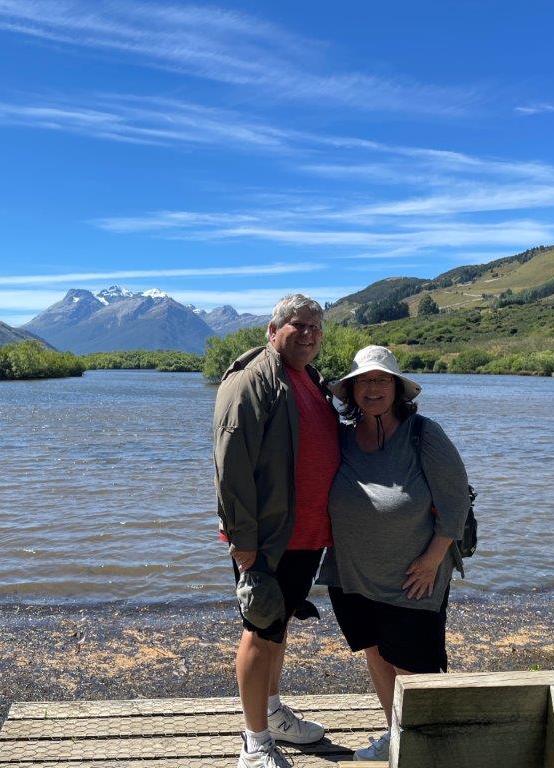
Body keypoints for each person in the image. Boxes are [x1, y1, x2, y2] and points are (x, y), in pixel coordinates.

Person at [318, 345, 470, 762]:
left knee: (413, 668)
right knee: (376, 654)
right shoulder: (342, 437)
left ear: (398, 388)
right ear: (350, 391)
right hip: (351, 574)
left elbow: (456, 503)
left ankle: (425, 747)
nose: (373, 388)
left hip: (413, 575)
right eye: (363, 381)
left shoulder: (424, 433)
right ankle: (394, 733)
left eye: (382, 379)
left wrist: (432, 559)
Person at [213, 294, 341, 768]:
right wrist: (242, 540)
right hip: (267, 538)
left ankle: (270, 713)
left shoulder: (308, 379)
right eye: (296, 325)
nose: (308, 333)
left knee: (278, 625)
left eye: (315, 327)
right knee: (258, 629)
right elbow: (231, 469)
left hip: (307, 534)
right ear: (273, 330)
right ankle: (254, 743)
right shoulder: (251, 381)